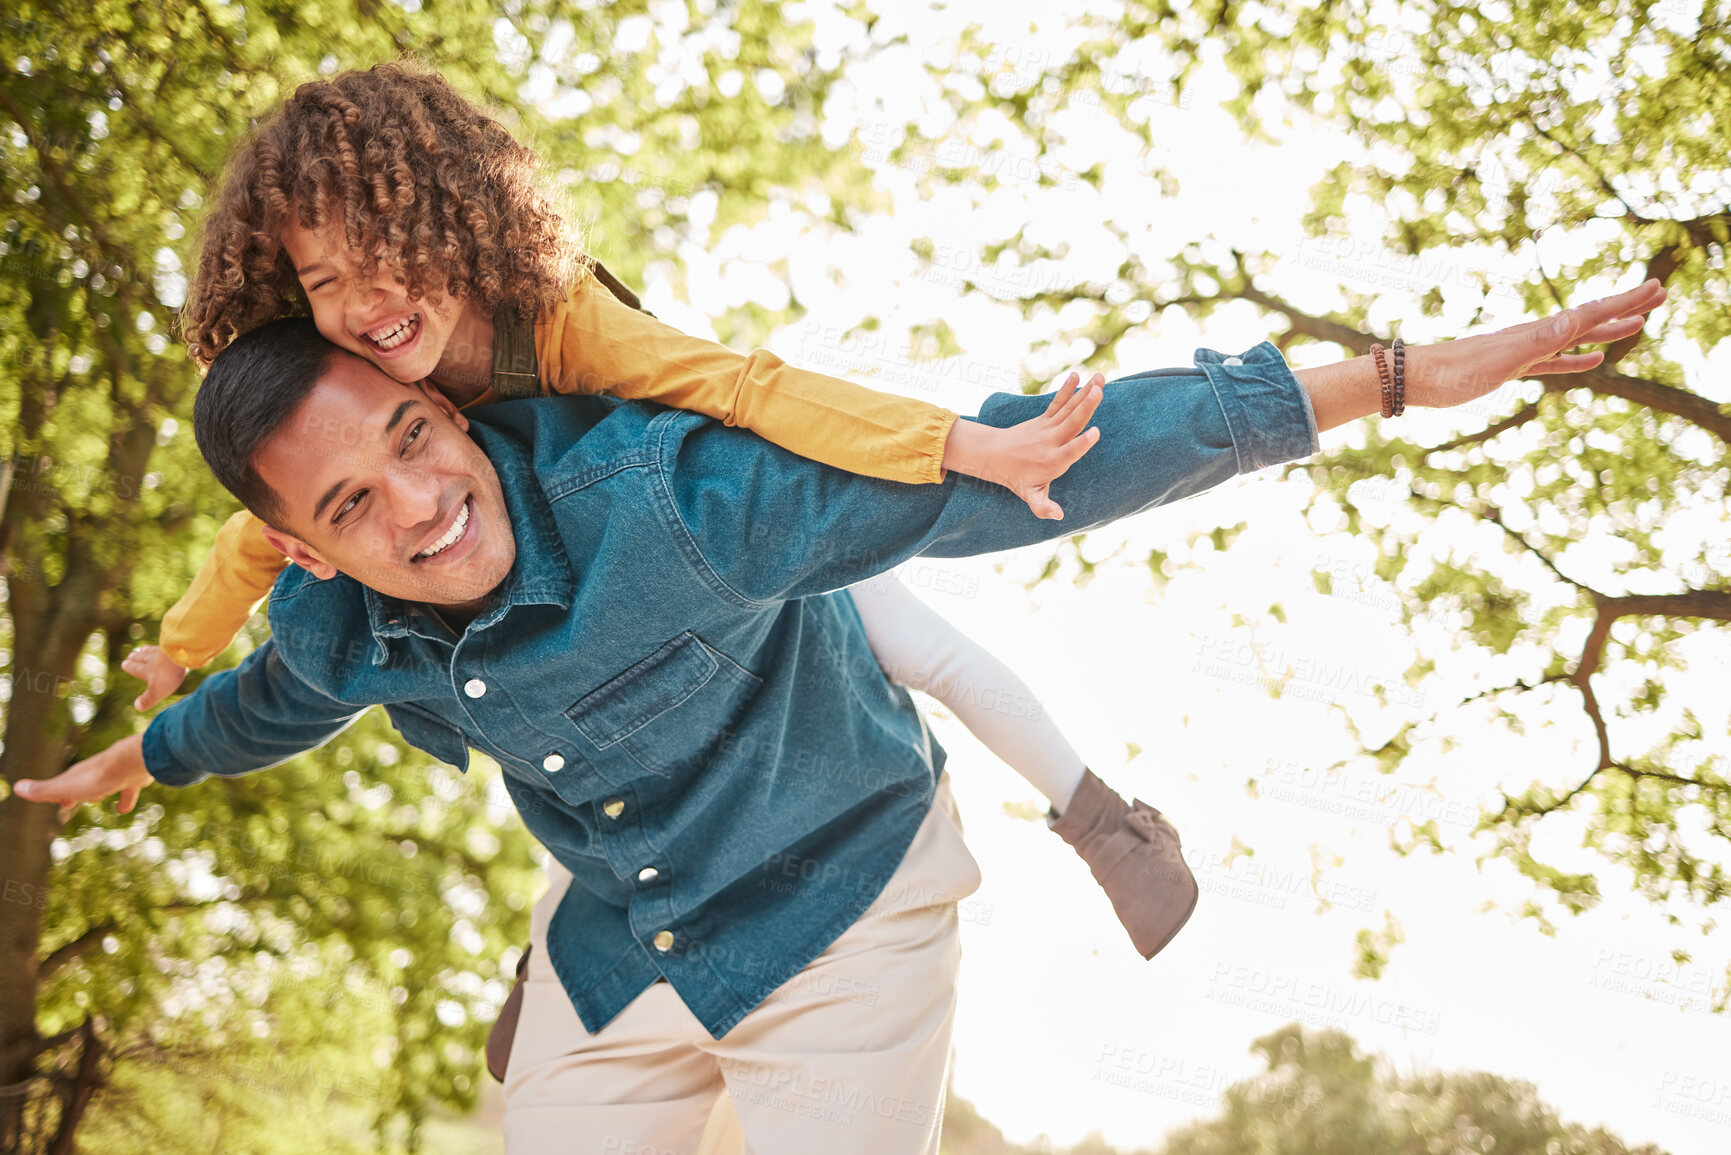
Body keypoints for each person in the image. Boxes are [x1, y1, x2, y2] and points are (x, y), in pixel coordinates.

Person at [16, 277, 1665, 1154]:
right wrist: (143, 753)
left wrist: (1392, 378)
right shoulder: (329, 627)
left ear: (448, 400)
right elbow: (255, 711)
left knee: (915, 640)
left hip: (846, 907)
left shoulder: (674, 501)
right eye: (356, 506)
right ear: (299, 546)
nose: (421, 506)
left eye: (416, 440)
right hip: (623, 937)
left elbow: (1034, 457)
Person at [117, 62, 1193, 951]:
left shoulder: (562, 321)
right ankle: (559, 968)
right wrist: (178, 654)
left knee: (924, 650)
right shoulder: (360, 403)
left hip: (719, 535)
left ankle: (1103, 819)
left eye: (391, 254)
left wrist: (960, 442)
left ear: (453, 222)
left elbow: (749, 389)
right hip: (575, 605)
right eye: (325, 283)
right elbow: (251, 541)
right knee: (548, 727)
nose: (369, 302)